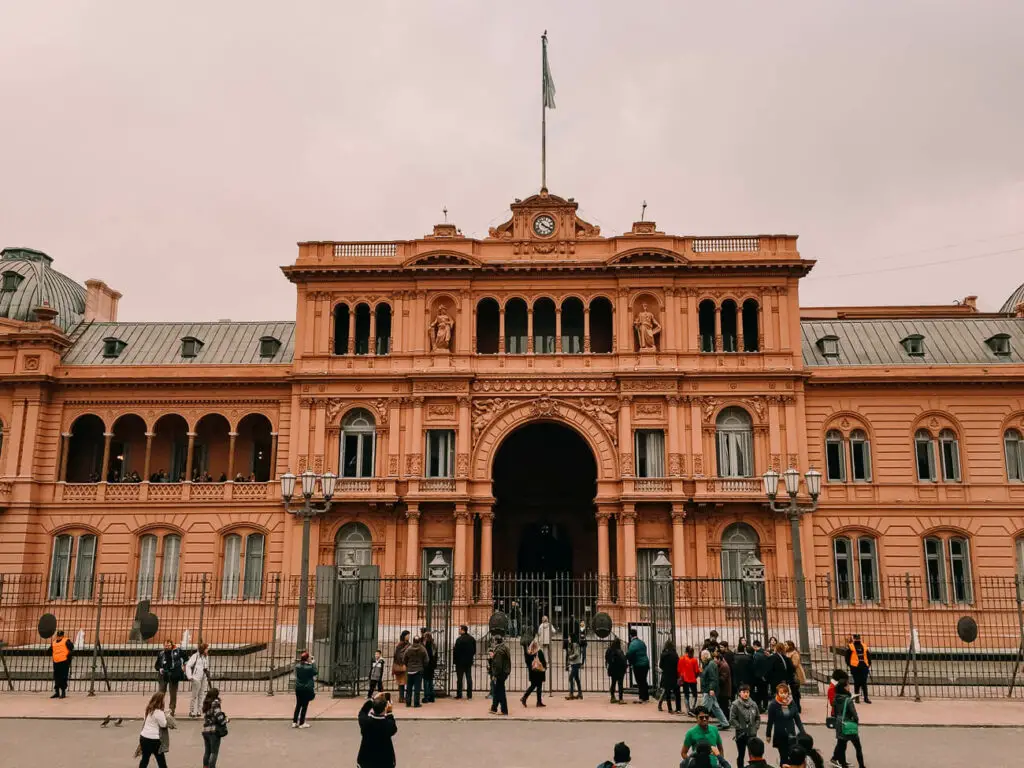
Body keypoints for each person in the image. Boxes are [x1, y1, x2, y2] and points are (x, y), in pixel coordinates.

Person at [765, 683, 804, 766]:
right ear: (777, 693)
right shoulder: (773, 705)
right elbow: (770, 722)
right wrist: (768, 735)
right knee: (784, 758)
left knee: (792, 756)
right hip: (780, 735)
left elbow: (797, 719)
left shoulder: (791, 703)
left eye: (785, 693)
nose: (784, 695)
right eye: (781, 693)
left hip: (791, 734)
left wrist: (802, 731)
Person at [830, 677, 866, 768]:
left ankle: (843, 764)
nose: (849, 687)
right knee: (857, 747)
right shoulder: (848, 700)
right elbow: (854, 714)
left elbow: (834, 711)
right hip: (848, 723)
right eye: (848, 685)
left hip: (839, 723)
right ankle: (861, 765)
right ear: (845, 687)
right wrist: (856, 722)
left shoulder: (835, 698)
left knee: (842, 746)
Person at [357, 692, 398, 768]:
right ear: (385, 708)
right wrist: (389, 712)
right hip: (384, 762)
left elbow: (362, 711)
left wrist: (372, 700)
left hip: (366, 761)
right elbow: (393, 727)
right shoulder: (388, 725)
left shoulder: (365, 722)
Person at [729, 683, 761, 768]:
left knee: (753, 754)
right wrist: (740, 727)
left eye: (747, 692)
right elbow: (732, 719)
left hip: (752, 733)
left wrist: (756, 727)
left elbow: (758, 717)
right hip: (741, 734)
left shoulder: (753, 704)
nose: (746, 694)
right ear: (739, 693)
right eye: (744, 692)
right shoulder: (735, 704)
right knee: (741, 754)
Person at [155, 640, 187, 716]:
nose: (167, 647)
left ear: (172, 645)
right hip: (163, 675)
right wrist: (160, 669)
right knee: (161, 693)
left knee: (173, 694)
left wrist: (184, 666)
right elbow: (156, 665)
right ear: (163, 646)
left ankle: (172, 710)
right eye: (166, 645)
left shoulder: (178, 651)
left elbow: (186, 658)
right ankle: (160, 709)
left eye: (169, 645)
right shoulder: (161, 653)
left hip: (174, 675)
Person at [699, 649, 729, 728]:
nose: (701, 658)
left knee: (704, 709)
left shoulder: (710, 664)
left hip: (709, 690)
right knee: (716, 708)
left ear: (705, 656)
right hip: (709, 689)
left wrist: (711, 689)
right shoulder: (708, 664)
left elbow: (713, 678)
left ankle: (701, 723)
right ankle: (725, 723)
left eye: (701, 656)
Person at [138, 692, 168, 768]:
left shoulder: (148, 710)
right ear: (161, 701)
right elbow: (163, 725)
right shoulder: (159, 712)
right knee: (161, 761)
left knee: (145, 759)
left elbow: (145, 720)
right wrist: (166, 716)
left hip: (144, 737)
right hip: (155, 740)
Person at [201, 687, 228, 768]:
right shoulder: (215, 704)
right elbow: (219, 717)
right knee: (214, 752)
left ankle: (205, 766)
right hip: (214, 731)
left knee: (207, 752)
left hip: (205, 731)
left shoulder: (206, 703)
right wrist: (226, 720)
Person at [292, 651, 317, 728]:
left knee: (298, 705)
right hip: (306, 688)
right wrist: (313, 663)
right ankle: (302, 723)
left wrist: (309, 663)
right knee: (304, 706)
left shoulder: (297, 666)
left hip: (298, 688)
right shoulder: (309, 668)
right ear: (307, 659)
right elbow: (315, 672)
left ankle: (294, 721)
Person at [185, 642, 210, 718]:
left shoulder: (206, 656)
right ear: (203, 649)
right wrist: (190, 676)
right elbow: (188, 666)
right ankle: (192, 711)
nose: (207, 650)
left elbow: (206, 666)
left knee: (201, 694)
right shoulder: (195, 656)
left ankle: (199, 710)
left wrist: (207, 674)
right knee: (194, 695)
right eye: (206, 648)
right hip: (196, 678)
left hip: (204, 677)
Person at [489, 632, 511, 716]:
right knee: (497, 690)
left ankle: (504, 710)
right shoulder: (504, 648)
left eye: (493, 641)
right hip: (504, 672)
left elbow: (498, 665)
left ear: (496, 642)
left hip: (500, 674)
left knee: (500, 691)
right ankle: (494, 708)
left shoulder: (499, 651)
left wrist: (494, 675)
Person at [625, 628, 651, 702]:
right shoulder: (641, 642)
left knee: (639, 681)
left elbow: (630, 654)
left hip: (638, 665)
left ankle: (641, 697)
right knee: (644, 680)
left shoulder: (633, 644)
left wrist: (627, 660)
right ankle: (646, 697)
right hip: (646, 663)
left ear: (630, 636)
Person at [402, 636, 428, 708]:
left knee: (409, 688)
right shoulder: (422, 649)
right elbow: (426, 660)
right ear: (419, 641)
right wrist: (422, 666)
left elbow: (404, 659)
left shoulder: (409, 649)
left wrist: (408, 665)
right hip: (419, 670)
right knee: (417, 688)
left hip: (410, 670)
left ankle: (408, 703)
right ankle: (416, 703)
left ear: (413, 641)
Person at [846, 634, 872, 704]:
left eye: (858, 638)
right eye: (856, 638)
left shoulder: (864, 646)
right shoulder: (850, 646)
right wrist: (850, 665)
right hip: (855, 667)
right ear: (854, 639)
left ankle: (865, 698)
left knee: (863, 683)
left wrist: (868, 664)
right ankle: (857, 698)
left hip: (863, 667)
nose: (857, 639)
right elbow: (847, 657)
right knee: (857, 683)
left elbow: (868, 656)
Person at [453, 624, 476, 700]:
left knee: (459, 679)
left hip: (460, 663)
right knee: (469, 678)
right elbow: (474, 651)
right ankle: (469, 695)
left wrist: (455, 661)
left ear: (463, 630)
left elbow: (456, 652)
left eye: (459, 629)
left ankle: (459, 694)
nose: (459, 631)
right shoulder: (472, 639)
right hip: (468, 662)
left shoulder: (459, 640)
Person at [522, 639, 547, 707]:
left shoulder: (529, 652)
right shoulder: (539, 652)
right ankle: (525, 697)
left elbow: (527, 662)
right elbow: (543, 662)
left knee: (536, 686)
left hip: (532, 672)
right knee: (536, 686)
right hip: (539, 672)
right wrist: (545, 667)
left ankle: (538, 701)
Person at [659, 639, 681, 713]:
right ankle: (678, 708)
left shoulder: (663, 654)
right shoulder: (675, 655)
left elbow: (660, 665)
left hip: (666, 675)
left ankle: (670, 709)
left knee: (667, 693)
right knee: (677, 692)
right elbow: (678, 665)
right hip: (674, 675)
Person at [50, 629, 73, 699]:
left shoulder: (67, 641)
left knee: (63, 677)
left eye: (60, 636)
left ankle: (63, 692)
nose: (59, 637)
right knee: (56, 677)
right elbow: (50, 650)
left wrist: (69, 659)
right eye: (58, 636)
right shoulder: (54, 642)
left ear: (63, 636)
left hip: (64, 662)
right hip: (56, 662)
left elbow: (71, 649)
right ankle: (57, 692)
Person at [679, 645, 701, 715]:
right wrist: (695, 676)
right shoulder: (694, 660)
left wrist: (681, 676)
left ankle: (688, 710)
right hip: (692, 679)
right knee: (694, 694)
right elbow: (697, 671)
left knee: (686, 695)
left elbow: (679, 669)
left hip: (685, 679)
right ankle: (692, 708)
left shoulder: (682, 659)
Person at [606, 636, 628, 704]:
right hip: (620, 670)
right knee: (620, 684)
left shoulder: (609, 650)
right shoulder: (619, 651)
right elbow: (623, 660)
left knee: (613, 683)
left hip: (612, 669)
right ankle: (621, 699)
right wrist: (625, 667)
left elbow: (606, 658)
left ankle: (612, 697)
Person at [784, 641, 804, 712]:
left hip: (795, 675)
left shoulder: (795, 653)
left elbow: (795, 665)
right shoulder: (786, 653)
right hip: (789, 675)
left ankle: (797, 707)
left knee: (795, 692)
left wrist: (787, 662)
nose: (785, 646)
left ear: (790, 646)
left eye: (786, 645)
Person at [751, 641, 770, 711]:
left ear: (755, 646)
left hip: (759, 676)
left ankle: (760, 706)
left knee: (759, 692)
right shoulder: (766, 653)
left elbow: (754, 666)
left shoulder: (756, 655)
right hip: (766, 676)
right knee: (765, 692)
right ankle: (765, 705)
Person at [392, 631, 410, 704]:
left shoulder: (407, 644)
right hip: (402, 666)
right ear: (404, 636)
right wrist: (403, 663)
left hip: (404, 666)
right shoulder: (401, 645)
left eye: (409, 635)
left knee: (404, 682)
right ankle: (402, 697)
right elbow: (398, 656)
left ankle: (403, 697)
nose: (409, 636)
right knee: (402, 682)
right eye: (408, 635)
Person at [716, 649, 733, 719]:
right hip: (723, 691)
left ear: (719, 659)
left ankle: (726, 721)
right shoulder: (721, 665)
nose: (715, 661)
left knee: (724, 707)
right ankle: (724, 721)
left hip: (725, 691)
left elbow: (722, 679)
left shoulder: (724, 666)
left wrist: (716, 678)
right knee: (723, 707)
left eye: (715, 659)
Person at [422, 630, 437, 703]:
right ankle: (432, 697)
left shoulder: (425, 646)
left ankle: (426, 697)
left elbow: (424, 656)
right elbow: (435, 656)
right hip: (432, 666)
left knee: (426, 682)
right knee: (430, 681)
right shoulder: (433, 645)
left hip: (426, 666)